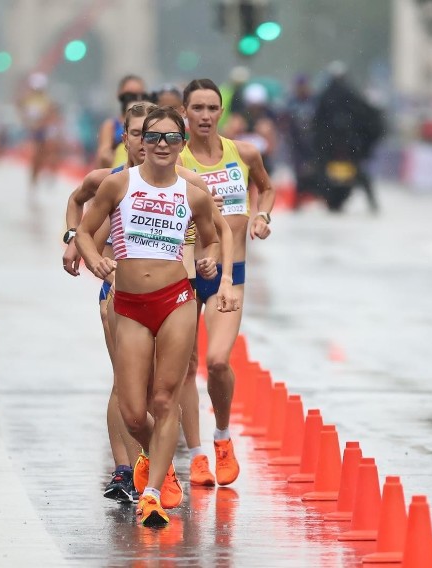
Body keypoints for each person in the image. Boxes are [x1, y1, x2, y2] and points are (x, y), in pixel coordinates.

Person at [75, 106, 238, 528]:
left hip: (175, 300)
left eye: (171, 138)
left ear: (182, 145)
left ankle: (152, 495)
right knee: (133, 411)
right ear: (140, 142)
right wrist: (94, 260)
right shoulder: (117, 185)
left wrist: (208, 263)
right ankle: (158, 463)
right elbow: (85, 232)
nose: (163, 145)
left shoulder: (193, 192)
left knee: (165, 399)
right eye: (154, 137)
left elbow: (213, 238)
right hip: (128, 304)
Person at [178, 78, 274, 488]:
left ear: (221, 112)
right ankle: (197, 455)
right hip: (182, 273)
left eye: (211, 108)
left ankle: (222, 437)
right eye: (196, 108)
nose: (204, 116)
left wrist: (262, 216)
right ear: (184, 112)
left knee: (217, 362)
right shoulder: (173, 160)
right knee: (184, 368)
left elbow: (266, 189)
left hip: (229, 275)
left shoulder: (244, 153)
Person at [313, 61, 384, 213]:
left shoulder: (334, 96)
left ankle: (372, 204)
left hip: (346, 146)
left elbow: (368, 119)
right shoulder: (342, 96)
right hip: (339, 147)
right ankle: (372, 204)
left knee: (358, 174)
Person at [95, 74, 150, 169]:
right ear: (120, 95)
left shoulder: (152, 121)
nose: (136, 99)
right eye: (130, 96)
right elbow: (104, 155)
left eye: (141, 95)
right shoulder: (111, 125)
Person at [284, 74, 319, 208]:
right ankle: (297, 201)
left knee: (316, 170)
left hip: (314, 142)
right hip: (297, 144)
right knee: (299, 172)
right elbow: (284, 121)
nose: (301, 89)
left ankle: (318, 197)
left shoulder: (314, 101)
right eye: (299, 87)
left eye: (303, 86)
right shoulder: (291, 102)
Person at [18, 72, 55, 187]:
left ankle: (46, 175)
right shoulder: (27, 100)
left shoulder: (47, 101)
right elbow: (22, 112)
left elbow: (49, 116)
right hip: (33, 132)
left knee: (46, 154)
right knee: (35, 158)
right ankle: (34, 181)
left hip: (43, 131)